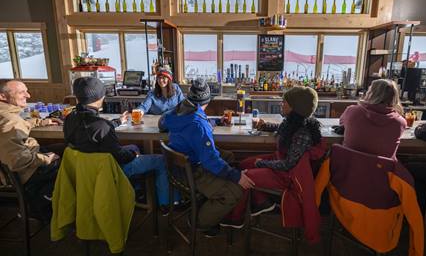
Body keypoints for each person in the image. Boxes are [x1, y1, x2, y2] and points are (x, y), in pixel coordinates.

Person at [223, 86, 327, 241]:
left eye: (285, 103)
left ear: (295, 108)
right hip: (279, 163)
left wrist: (261, 164)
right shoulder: (293, 122)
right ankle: (261, 201)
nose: (281, 104)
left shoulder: (302, 134)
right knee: (244, 163)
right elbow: (282, 129)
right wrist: (264, 125)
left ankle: (236, 218)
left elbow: (288, 165)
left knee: (243, 177)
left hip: (287, 176)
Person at [63, 77, 176, 212]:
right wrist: (135, 155)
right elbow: (121, 156)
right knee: (160, 160)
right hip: (110, 171)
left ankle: (134, 192)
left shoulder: (70, 118)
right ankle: (167, 204)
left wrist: (117, 122)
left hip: (83, 171)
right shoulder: (102, 126)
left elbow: (93, 127)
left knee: (134, 146)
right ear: (99, 97)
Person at [159, 78, 254, 236]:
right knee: (234, 192)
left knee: (228, 156)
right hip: (191, 171)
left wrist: (211, 123)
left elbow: (164, 123)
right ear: (207, 101)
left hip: (177, 166)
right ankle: (199, 222)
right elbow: (210, 159)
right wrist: (236, 177)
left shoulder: (178, 109)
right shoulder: (199, 125)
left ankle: (210, 198)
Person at [0, 79, 64, 221]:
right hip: (24, 174)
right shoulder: (10, 120)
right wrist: (47, 158)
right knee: (72, 159)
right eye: (21, 92)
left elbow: (13, 128)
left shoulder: (5, 114)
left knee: (64, 147)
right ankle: (39, 208)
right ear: (2, 96)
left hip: (16, 165)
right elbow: (17, 160)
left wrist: (41, 121)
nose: (28, 95)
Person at [339, 79, 406, 158]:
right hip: (380, 169)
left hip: (348, 167)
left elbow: (342, 122)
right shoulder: (400, 123)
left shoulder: (352, 111)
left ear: (370, 94)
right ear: (394, 96)